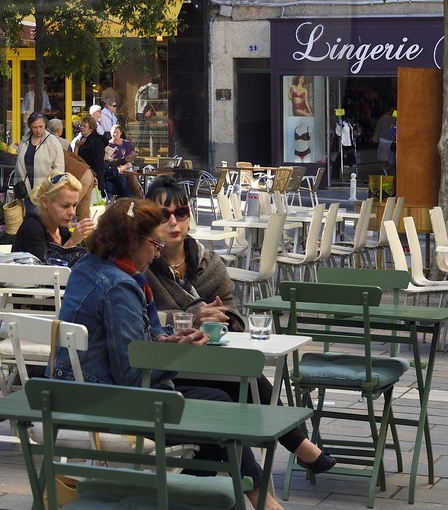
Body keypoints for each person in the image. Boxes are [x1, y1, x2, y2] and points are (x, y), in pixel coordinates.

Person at [53, 198, 336, 510]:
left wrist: (171, 340)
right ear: (133, 241)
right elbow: (131, 371)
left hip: (82, 389)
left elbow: (137, 341)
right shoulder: (120, 285)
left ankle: (257, 508)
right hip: (106, 401)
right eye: (154, 243)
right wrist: (175, 355)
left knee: (232, 387)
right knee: (217, 406)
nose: (157, 253)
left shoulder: (91, 267)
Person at [143, 179, 337, 479]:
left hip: (210, 359)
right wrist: (194, 316)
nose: (172, 222)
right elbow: (148, 318)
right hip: (168, 366)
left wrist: (221, 319)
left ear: (189, 216)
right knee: (240, 383)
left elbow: (234, 311)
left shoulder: (211, 264)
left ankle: (251, 475)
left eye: (180, 213)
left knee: (241, 378)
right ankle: (297, 448)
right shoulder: (143, 267)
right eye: (162, 215)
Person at [10, 172, 94, 263]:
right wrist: (73, 241)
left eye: (74, 205)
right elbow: (48, 271)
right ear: (45, 201)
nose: (72, 213)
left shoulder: (61, 229)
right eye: (65, 206)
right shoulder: (31, 228)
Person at [13, 111, 64, 197]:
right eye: (34, 127)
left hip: (45, 191)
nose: (38, 130)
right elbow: (18, 166)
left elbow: (59, 168)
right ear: (30, 127)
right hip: (26, 190)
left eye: (41, 126)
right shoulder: (24, 141)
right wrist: (16, 184)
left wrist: (52, 187)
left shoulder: (52, 142)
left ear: (45, 125)